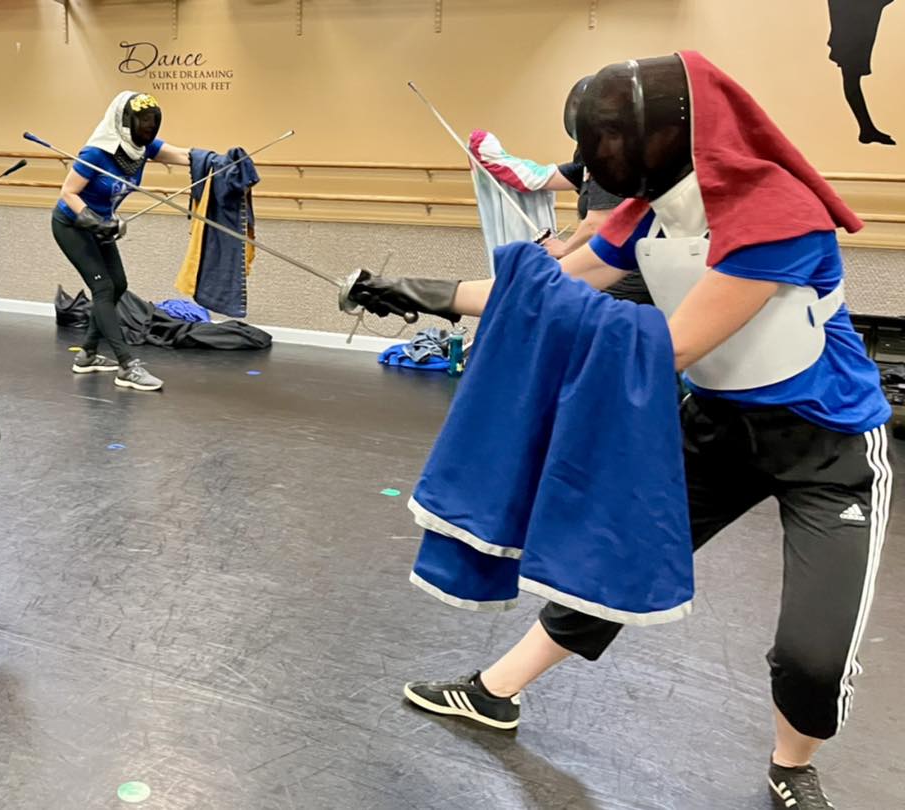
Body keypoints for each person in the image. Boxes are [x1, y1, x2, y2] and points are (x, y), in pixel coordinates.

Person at [350, 52, 892, 809]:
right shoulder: (651, 215)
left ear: (677, 132)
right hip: (716, 425)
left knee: (811, 654)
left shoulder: (778, 216)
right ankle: (494, 692)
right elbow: (552, 291)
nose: (600, 156)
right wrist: (421, 291)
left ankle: (791, 766)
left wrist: (517, 303)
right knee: (610, 557)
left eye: (614, 137)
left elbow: (669, 345)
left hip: (825, 446)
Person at [52, 91, 192, 392]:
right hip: (72, 225)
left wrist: (216, 160)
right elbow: (68, 192)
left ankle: (87, 355)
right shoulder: (96, 153)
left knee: (118, 284)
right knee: (102, 287)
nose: (147, 129)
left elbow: (181, 155)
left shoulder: (142, 148)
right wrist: (90, 218)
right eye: (142, 123)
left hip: (101, 226)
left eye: (151, 124)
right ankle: (127, 366)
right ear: (124, 122)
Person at [541, 75, 654, 305]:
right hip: (631, 264)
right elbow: (572, 175)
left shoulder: (615, 158)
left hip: (622, 273)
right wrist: (507, 167)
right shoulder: (616, 149)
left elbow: (598, 223)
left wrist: (565, 248)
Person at [828, 0, 896, 146]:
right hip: (852, 31)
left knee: (851, 77)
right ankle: (866, 128)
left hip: (856, 29)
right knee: (851, 77)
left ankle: (866, 128)